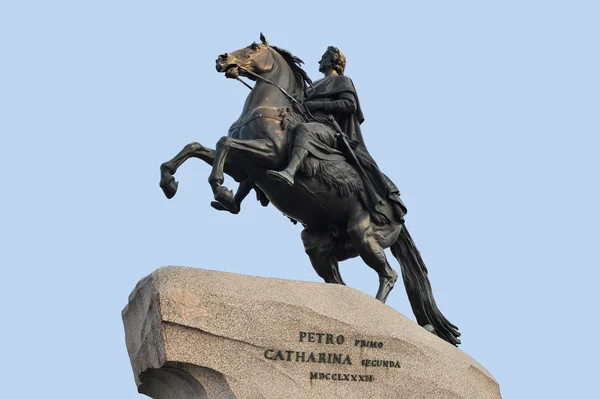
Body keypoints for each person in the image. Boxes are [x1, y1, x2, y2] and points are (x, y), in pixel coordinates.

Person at [267, 46, 406, 224]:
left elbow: (349, 105)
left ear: (333, 60)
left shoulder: (342, 80)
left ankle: (290, 171)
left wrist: (319, 106)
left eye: (323, 57)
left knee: (304, 130)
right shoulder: (312, 85)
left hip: (328, 129)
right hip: (307, 121)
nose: (319, 61)